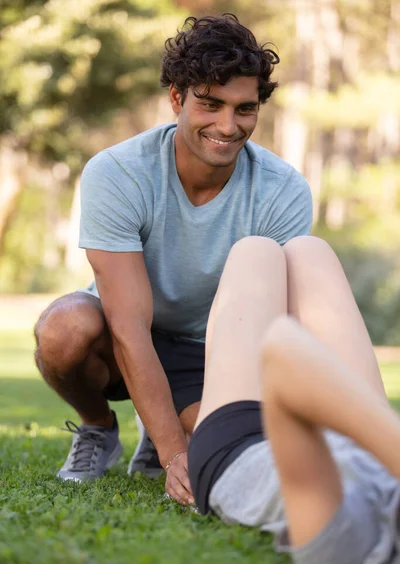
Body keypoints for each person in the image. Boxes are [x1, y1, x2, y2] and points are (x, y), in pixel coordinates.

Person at [33, 14, 312, 504]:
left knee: (226, 448)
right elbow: (128, 325)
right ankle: (99, 428)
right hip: (125, 330)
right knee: (63, 330)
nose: (228, 126)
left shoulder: (283, 190)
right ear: (178, 99)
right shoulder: (118, 172)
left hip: (210, 349)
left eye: (244, 109)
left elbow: (273, 325)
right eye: (210, 105)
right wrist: (173, 453)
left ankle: (164, 422)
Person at [188, 235, 400, 564]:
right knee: (309, 249)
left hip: (239, 446)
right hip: (359, 437)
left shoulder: (350, 550)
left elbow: (282, 351)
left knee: (253, 252)